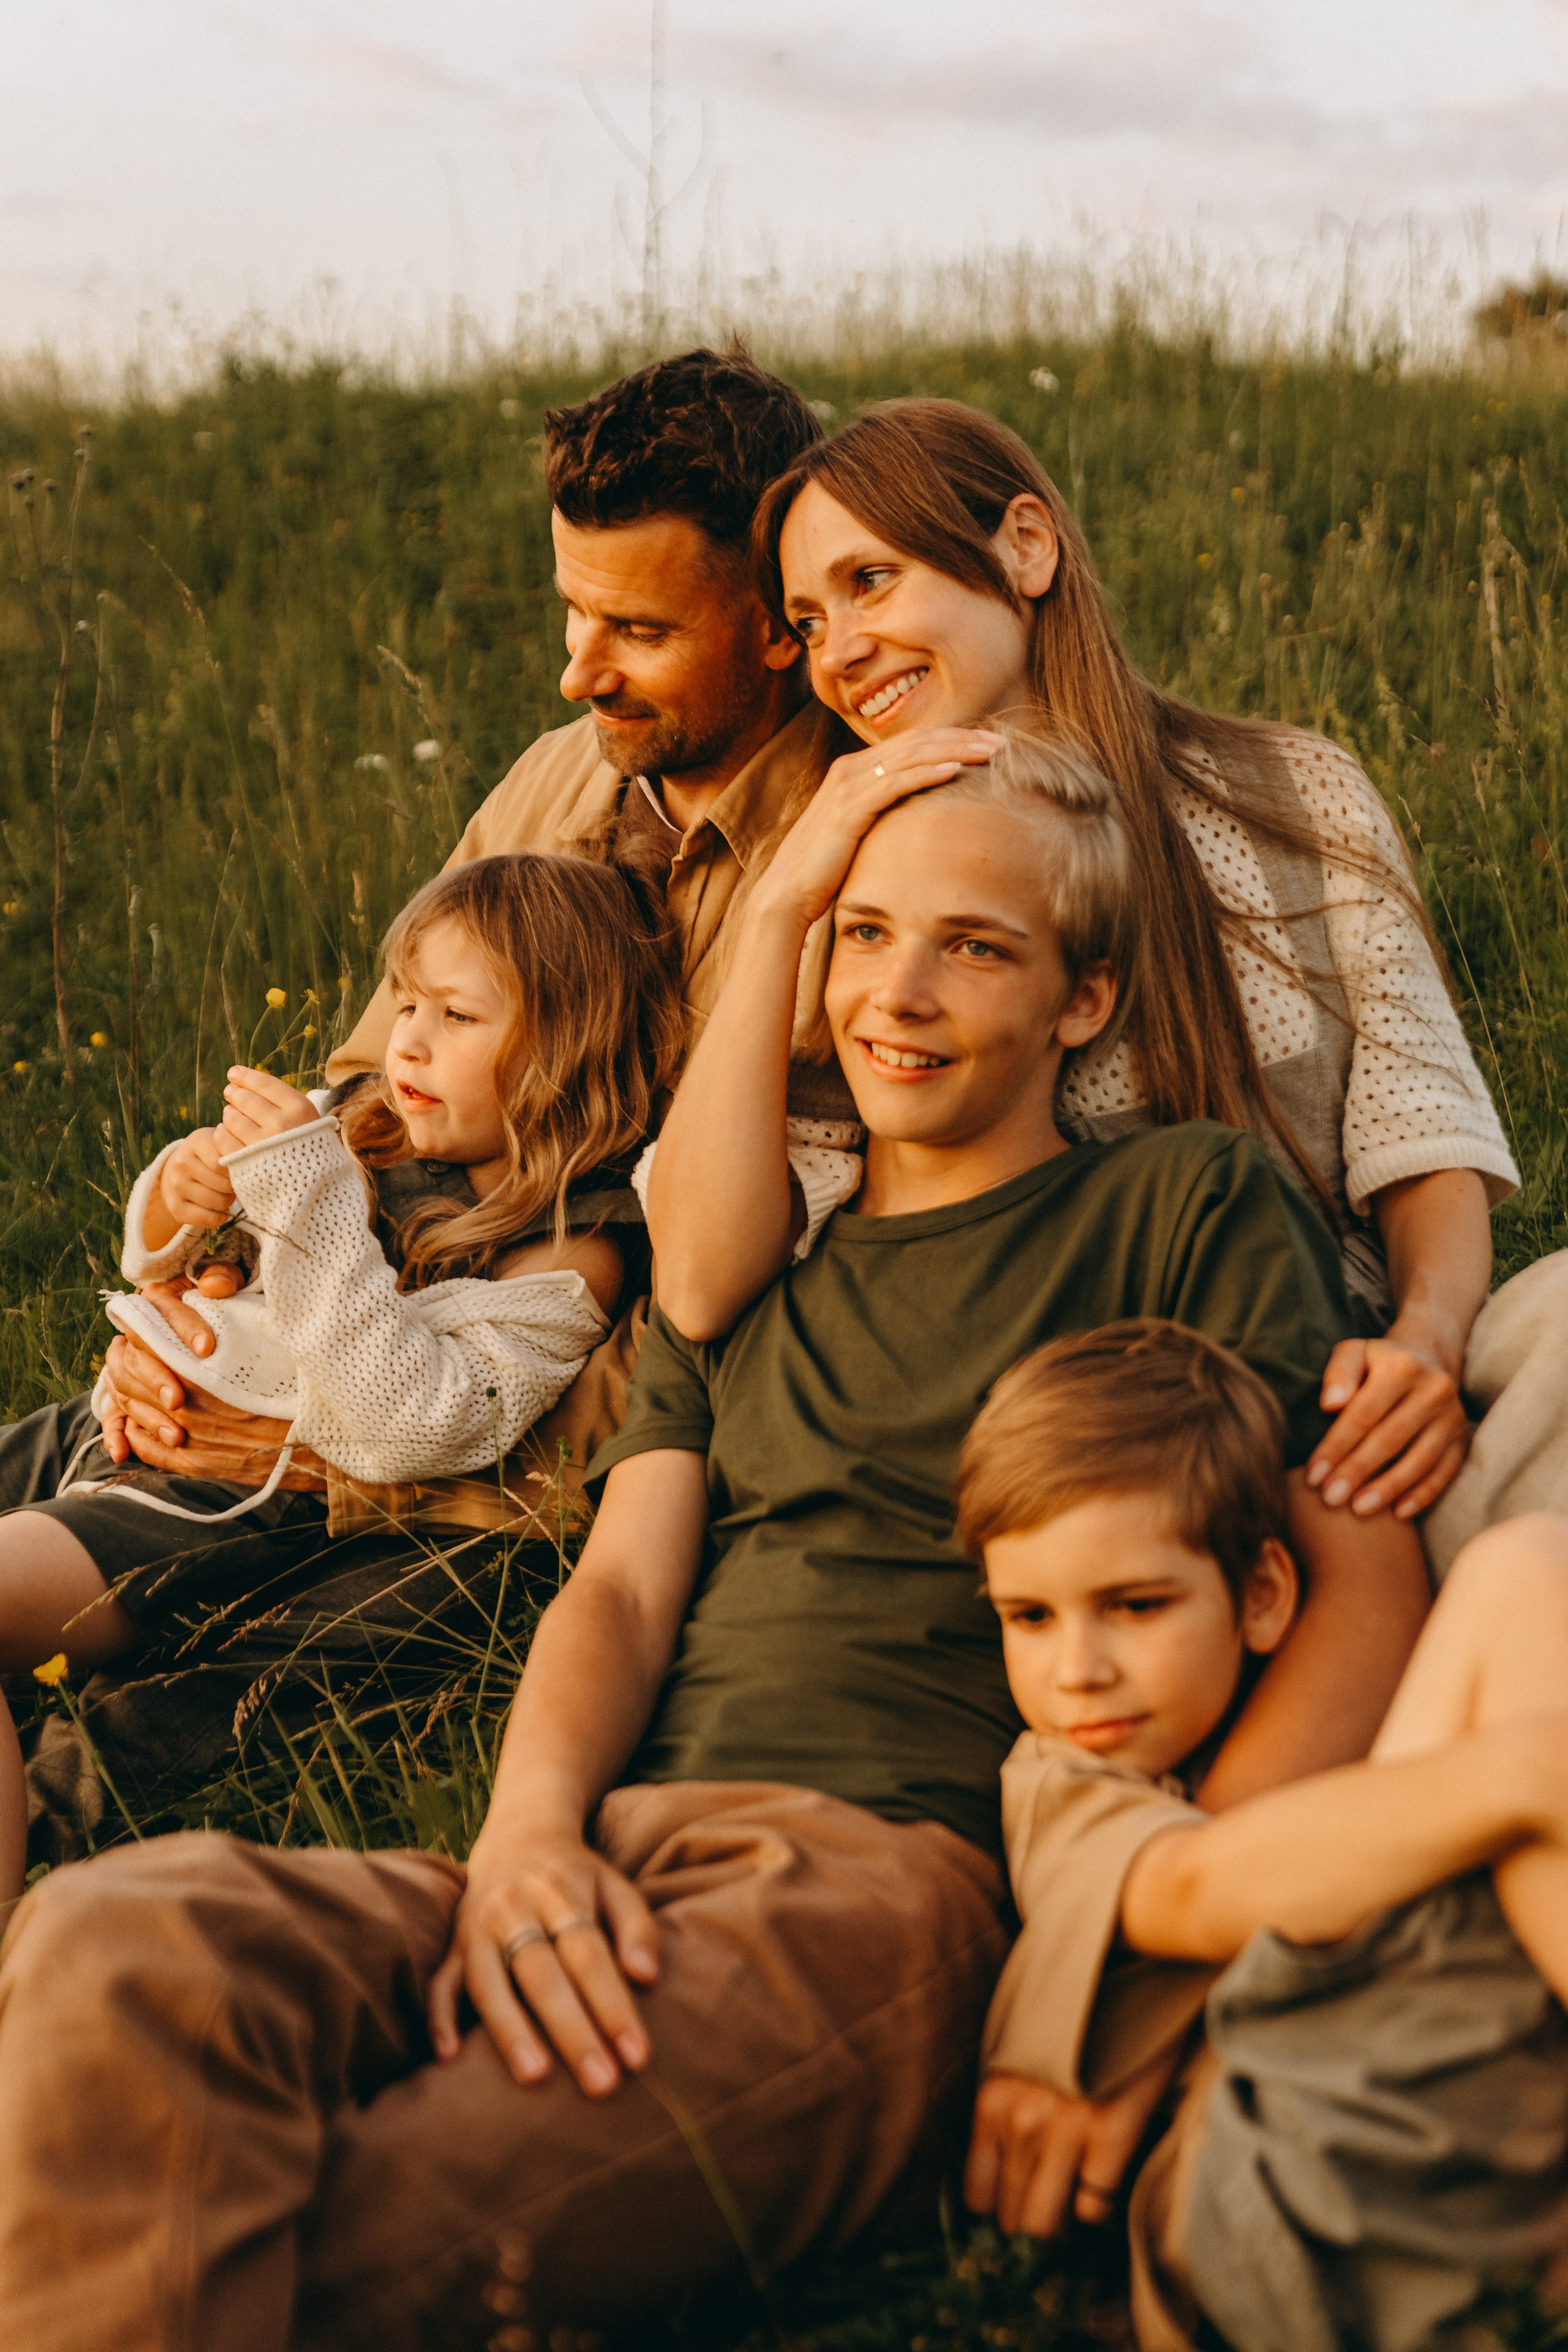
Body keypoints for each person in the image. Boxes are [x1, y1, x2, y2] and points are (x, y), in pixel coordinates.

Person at [0, 739, 1429, 2348]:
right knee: (117, 1937)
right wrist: (529, 1839)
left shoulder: (1180, 1206)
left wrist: (1124, 1990)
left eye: (976, 946)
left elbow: (1352, 1580)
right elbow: (616, 1587)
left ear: (1079, 1002)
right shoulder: (736, 1282)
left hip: (870, 1891)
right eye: (861, 931)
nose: (900, 989)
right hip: (595, 1856)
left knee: (290, 2221)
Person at [647, 398, 1518, 1528]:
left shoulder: (1299, 794)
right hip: (1071, 1411)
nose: (842, 652)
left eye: (872, 582)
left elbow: (1419, 1141)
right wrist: (780, 911)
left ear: (1026, 546)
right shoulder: (855, 886)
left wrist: (1424, 1350)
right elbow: (706, 1282)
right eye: (809, 622)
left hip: (1348, 1375)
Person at [97, 342, 856, 1491]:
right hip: (329, 1360)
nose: (577, 674)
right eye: (572, 613)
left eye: (640, 633)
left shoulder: (851, 875)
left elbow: (719, 1324)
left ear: (781, 626)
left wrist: (346, 1464)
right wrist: (203, 1329)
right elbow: (365, 1092)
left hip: (493, 1465)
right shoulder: (555, 779)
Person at [0, 853, 681, 1885]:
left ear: (564, 1050)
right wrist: (177, 1201)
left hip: (206, 1508)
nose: (407, 1038)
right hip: (104, 1426)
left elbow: (420, 1422)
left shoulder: (566, 1245)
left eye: (457, 1016)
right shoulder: (370, 1121)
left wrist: (305, 1192)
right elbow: (173, 1256)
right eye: (407, 1001)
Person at [960, 1319, 1568, 2350]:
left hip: (1405, 2094)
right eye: (1031, 1617)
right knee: (1523, 1579)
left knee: (1519, 1567)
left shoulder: (1302, 1711)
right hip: (1269, 2183)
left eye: (1135, 1605)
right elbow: (1190, 1888)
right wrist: (1517, 1772)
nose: (1079, 1670)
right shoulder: (1061, 1780)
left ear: (1263, 1597)